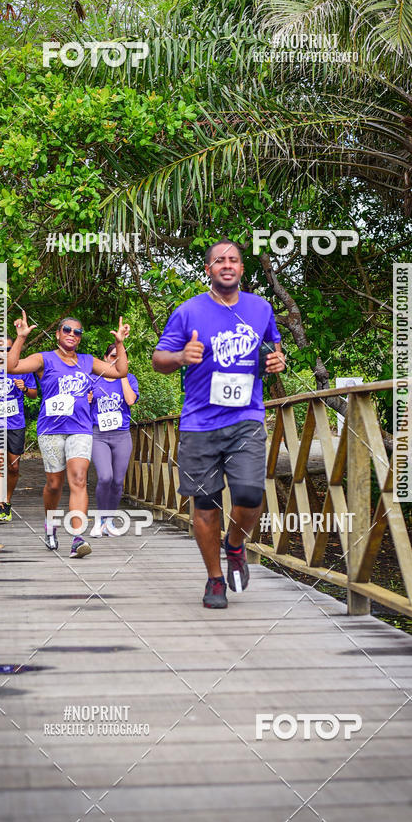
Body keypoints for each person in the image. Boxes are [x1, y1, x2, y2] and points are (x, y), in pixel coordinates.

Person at [152, 239, 285, 608]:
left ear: (242, 269)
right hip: (199, 422)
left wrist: (277, 361)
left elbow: (273, 348)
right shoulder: (188, 311)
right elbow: (157, 359)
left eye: (234, 260)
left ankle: (236, 544)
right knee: (205, 504)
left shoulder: (260, 308)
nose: (227, 265)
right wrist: (180, 356)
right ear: (208, 270)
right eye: (218, 260)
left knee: (249, 494)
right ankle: (214, 579)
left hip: (246, 417)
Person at [7, 312, 130, 558]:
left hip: (81, 429)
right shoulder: (45, 359)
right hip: (51, 430)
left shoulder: (87, 361)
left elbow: (121, 371)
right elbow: (12, 366)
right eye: (67, 330)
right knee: (54, 484)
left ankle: (77, 538)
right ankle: (50, 525)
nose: (72, 334)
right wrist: (20, 338)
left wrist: (119, 343)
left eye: (77, 332)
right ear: (58, 334)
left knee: (79, 479)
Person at [0, 337, 37, 523]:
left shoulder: (23, 367)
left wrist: (25, 388)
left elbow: (34, 394)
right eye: (0, 348)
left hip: (15, 423)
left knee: (14, 465)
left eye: (9, 348)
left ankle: (8, 500)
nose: (5, 351)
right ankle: (0, 504)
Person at [88, 343, 139, 537]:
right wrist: (87, 400)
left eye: (120, 357)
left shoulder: (130, 379)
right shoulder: (93, 378)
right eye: (112, 356)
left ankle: (109, 521)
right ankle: (100, 520)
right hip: (99, 435)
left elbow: (130, 400)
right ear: (104, 357)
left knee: (118, 481)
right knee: (105, 477)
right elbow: (83, 404)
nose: (116, 360)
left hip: (121, 435)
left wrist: (122, 373)